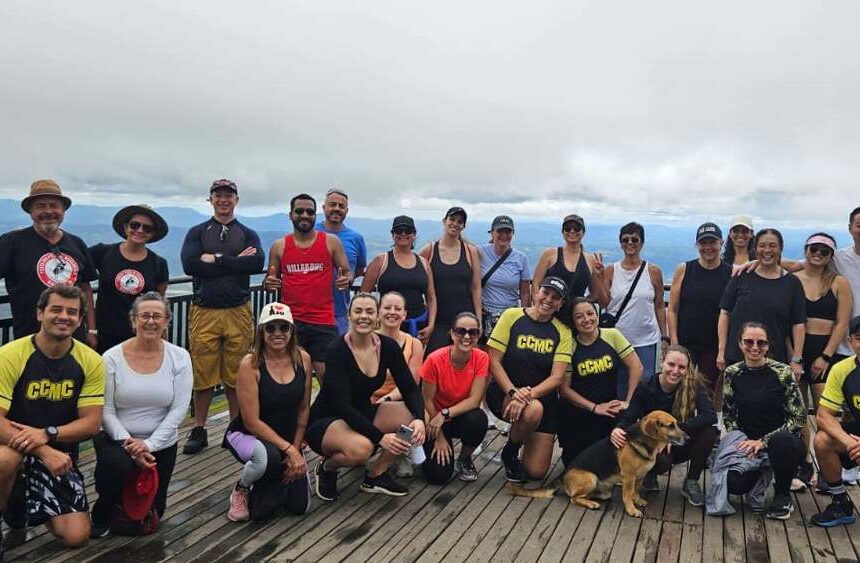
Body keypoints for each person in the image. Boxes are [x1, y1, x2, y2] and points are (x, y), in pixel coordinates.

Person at [0, 285, 104, 550]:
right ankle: (9, 501)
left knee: (76, 536)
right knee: (5, 460)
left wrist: (48, 434)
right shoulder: (10, 355)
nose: (64, 317)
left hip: (59, 454)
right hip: (11, 445)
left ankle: (19, 501)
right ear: (40, 313)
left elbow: (92, 423)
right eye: (56, 309)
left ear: (80, 320)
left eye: (72, 312)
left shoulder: (90, 361)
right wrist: (41, 449)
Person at [306, 293, 426, 501]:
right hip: (328, 419)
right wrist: (380, 437)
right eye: (358, 311)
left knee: (412, 415)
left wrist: (420, 419)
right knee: (363, 449)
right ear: (349, 315)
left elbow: (409, 388)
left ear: (377, 316)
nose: (364, 316)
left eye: (370, 311)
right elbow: (341, 405)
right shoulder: (336, 350)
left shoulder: (387, 347)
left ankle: (376, 475)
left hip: (362, 411)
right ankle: (327, 467)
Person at [91, 292, 192, 537]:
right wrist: (130, 444)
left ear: (166, 321)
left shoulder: (180, 357)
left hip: (160, 443)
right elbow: (106, 409)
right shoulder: (111, 357)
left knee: (153, 513)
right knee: (118, 466)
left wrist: (148, 444)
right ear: (133, 320)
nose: (151, 321)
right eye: (145, 316)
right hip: (117, 440)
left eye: (157, 316)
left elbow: (179, 408)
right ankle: (102, 511)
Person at [180, 179, 264, 455]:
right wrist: (236, 262)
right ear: (211, 199)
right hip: (204, 310)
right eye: (219, 195)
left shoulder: (247, 233)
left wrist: (215, 259)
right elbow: (190, 265)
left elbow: (256, 263)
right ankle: (199, 427)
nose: (224, 200)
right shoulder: (197, 232)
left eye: (229, 196)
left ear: (236, 200)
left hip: (238, 309)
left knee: (236, 373)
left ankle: (234, 428)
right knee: (202, 372)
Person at [223, 302, 313, 522]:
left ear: (292, 331)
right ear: (261, 332)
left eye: (284, 327)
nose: (277, 333)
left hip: (286, 438)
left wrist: (296, 448)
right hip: (249, 435)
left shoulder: (303, 359)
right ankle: (242, 488)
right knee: (267, 459)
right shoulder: (250, 365)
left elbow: (303, 408)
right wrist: (289, 450)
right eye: (270, 328)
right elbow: (251, 421)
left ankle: (270, 483)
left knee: (299, 506)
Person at [712, 322, 807, 520]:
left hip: (782, 443)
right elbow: (729, 415)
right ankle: (760, 478)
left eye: (761, 343)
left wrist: (763, 442)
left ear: (768, 345)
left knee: (782, 442)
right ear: (740, 344)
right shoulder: (732, 373)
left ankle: (782, 495)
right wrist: (742, 442)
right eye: (749, 342)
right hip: (748, 442)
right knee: (734, 483)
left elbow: (798, 417)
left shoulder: (783, 372)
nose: (755, 347)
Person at [486, 276, 572, 483]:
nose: (548, 299)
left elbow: (557, 377)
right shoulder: (512, 316)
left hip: (542, 399)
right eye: (546, 293)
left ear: (560, 304)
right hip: (505, 392)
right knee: (533, 410)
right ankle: (511, 451)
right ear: (536, 292)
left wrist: (527, 395)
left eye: (555, 297)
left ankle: (523, 432)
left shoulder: (562, 331)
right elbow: (494, 361)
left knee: (535, 472)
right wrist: (513, 392)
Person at [611, 346, 719, 506]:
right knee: (660, 461)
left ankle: (691, 481)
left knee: (709, 432)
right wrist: (618, 429)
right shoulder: (645, 386)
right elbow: (629, 416)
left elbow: (710, 415)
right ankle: (649, 474)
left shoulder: (693, 385)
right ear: (662, 362)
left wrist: (676, 431)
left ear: (687, 369)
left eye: (681, 367)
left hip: (680, 439)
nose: (675, 371)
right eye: (671, 364)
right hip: (656, 447)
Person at [264, 193, 351, 382]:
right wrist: (269, 284)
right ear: (290, 215)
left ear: (315, 215)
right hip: (291, 322)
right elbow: (270, 282)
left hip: (323, 321)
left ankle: (330, 404)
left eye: (310, 212)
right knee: (294, 378)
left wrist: (346, 280)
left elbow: (346, 272)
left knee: (328, 378)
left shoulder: (330, 242)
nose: (304, 215)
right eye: (299, 211)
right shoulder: (279, 246)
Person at [0, 179, 98, 346]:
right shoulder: (12, 242)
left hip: (74, 337)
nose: (48, 211)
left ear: (63, 210)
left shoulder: (76, 243)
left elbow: (85, 288)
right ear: (30, 211)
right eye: (40, 206)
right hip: (29, 338)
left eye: (54, 206)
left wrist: (91, 330)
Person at [558, 298, 642, 466]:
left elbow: (636, 367)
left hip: (609, 412)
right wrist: (594, 407)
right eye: (579, 316)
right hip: (578, 413)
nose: (586, 319)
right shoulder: (569, 345)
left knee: (607, 464)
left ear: (597, 315)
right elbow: (564, 389)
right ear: (573, 322)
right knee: (575, 465)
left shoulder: (612, 335)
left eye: (590, 314)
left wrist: (628, 401)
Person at [717, 228, 806, 379]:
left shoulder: (792, 283)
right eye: (762, 245)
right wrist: (721, 351)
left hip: (774, 360)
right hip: (736, 357)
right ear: (755, 248)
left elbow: (798, 324)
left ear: (781, 248)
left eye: (772, 245)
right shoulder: (741, 275)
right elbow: (725, 313)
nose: (767, 250)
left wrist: (797, 359)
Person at [420, 312, 490, 484]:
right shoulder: (434, 359)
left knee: (479, 419)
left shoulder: (482, 357)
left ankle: (465, 458)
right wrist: (439, 437)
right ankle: (421, 448)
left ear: (478, 336)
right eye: (460, 331)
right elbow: (426, 400)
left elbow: (475, 400)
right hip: (433, 418)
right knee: (438, 476)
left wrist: (445, 414)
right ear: (452, 333)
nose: (466, 337)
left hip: (456, 415)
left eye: (473, 332)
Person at [89, 205, 169, 353]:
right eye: (135, 225)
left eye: (147, 228)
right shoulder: (102, 252)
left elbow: (160, 305)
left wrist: (163, 341)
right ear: (126, 227)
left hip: (141, 335)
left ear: (152, 234)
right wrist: (91, 329)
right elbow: (78, 270)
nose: (140, 230)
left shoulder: (159, 264)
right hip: (104, 333)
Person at [667, 222, 732, 407]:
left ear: (721, 243)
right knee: (677, 389)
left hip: (713, 346)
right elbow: (672, 309)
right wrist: (674, 342)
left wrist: (723, 349)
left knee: (708, 393)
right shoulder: (685, 269)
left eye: (712, 242)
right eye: (703, 243)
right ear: (697, 245)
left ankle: (708, 424)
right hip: (685, 343)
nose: (708, 247)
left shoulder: (730, 272)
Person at [604, 222, 668, 396]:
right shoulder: (610, 271)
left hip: (645, 340)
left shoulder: (653, 272)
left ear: (642, 243)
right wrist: (597, 275)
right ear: (620, 243)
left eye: (634, 239)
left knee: (644, 386)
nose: (630, 243)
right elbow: (603, 301)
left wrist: (664, 336)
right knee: (618, 386)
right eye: (625, 239)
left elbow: (659, 305)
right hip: (616, 340)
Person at [809, 315, 860, 527]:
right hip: (857, 436)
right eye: (859, 338)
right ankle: (840, 503)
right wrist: (850, 443)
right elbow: (823, 415)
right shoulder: (842, 369)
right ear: (850, 342)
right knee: (822, 440)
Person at [361, 216, 437, 341]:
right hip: (387, 325)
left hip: (418, 326)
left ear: (414, 235)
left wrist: (431, 325)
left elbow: (431, 298)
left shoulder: (424, 263)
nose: (403, 234)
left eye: (408, 231)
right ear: (393, 235)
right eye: (398, 231)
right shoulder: (380, 261)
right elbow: (364, 295)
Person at [418, 207, 482, 354]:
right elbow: (415, 275)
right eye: (452, 219)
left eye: (460, 221)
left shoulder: (470, 251)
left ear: (463, 226)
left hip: (465, 319)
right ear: (444, 221)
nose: (455, 224)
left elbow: (476, 287)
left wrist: (478, 320)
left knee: (464, 359)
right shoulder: (429, 250)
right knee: (434, 358)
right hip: (438, 320)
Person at [532, 214, 609, 322]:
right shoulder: (549, 254)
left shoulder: (590, 260)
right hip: (549, 314)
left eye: (576, 228)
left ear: (583, 232)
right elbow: (535, 284)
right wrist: (539, 309)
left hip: (574, 318)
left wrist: (600, 276)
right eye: (568, 228)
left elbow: (598, 297)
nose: (572, 231)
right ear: (563, 232)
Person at [316, 188, 367, 335]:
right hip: (310, 310)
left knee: (338, 348)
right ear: (324, 208)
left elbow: (359, 268)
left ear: (346, 211)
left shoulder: (356, 238)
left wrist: (349, 278)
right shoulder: (310, 233)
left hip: (339, 311)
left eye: (341, 206)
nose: (337, 209)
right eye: (332, 204)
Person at [479, 215, 532, 343]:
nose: (504, 235)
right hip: (485, 314)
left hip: (510, 315)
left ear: (513, 234)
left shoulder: (521, 258)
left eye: (507, 232)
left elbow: (525, 292)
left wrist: (525, 318)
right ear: (492, 233)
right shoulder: (479, 252)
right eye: (500, 231)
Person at [371, 292, 424, 403]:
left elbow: (411, 384)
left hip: (399, 400)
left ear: (404, 314)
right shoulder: (365, 340)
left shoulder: (414, 344)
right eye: (387, 308)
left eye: (398, 309)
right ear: (378, 312)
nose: (392, 312)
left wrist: (385, 400)